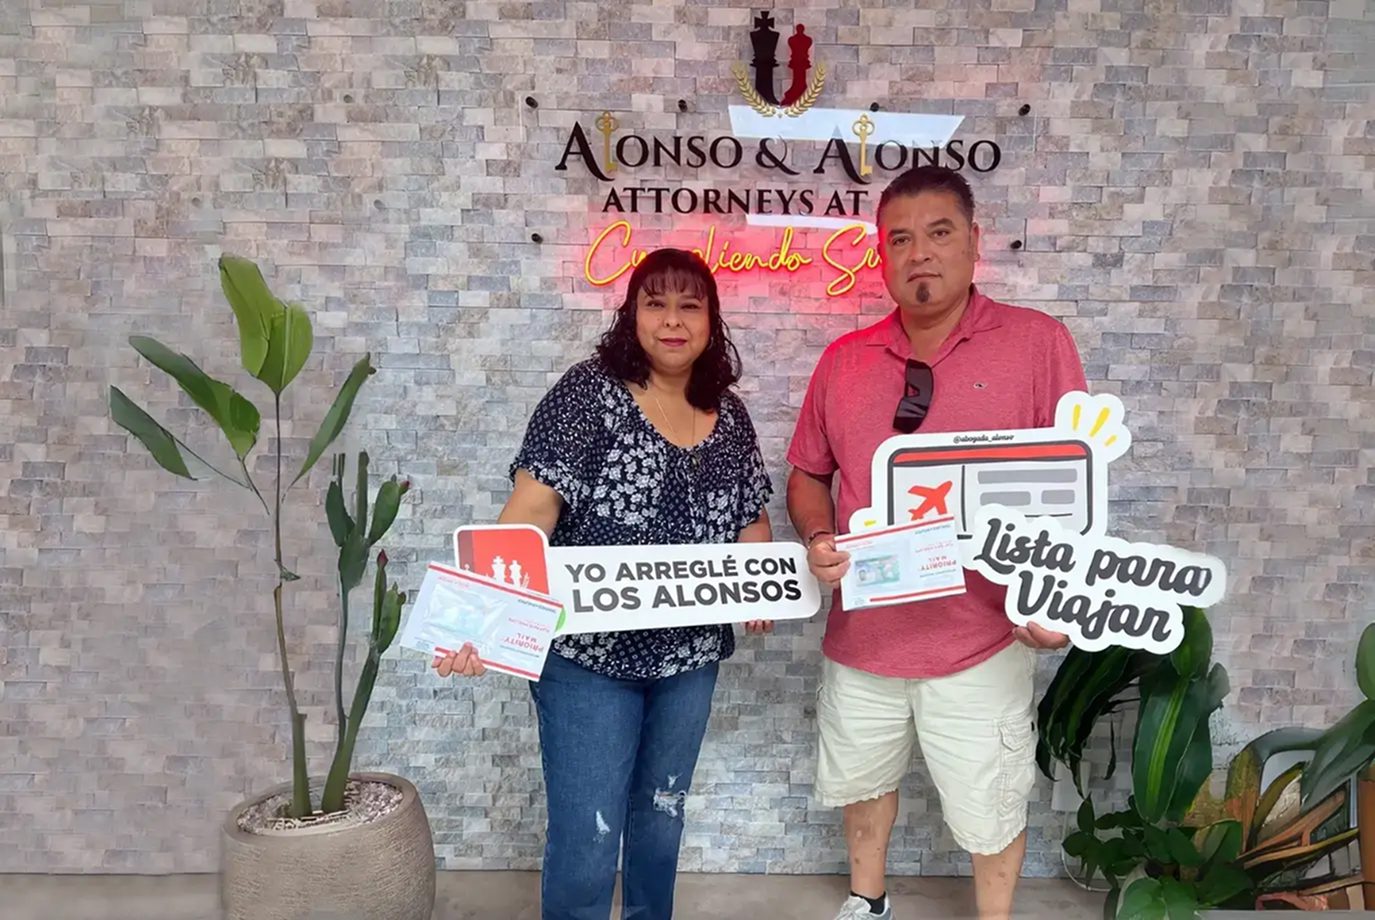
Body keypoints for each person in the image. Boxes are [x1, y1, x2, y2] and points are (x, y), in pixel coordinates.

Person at [785, 165, 1089, 920]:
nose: (919, 253)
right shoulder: (843, 360)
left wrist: (1057, 598)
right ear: (880, 257)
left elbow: (1077, 486)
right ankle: (866, 899)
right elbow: (805, 475)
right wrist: (818, 535)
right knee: (862, 783)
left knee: (989, 800)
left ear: (974, 243)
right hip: (864, 632)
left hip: (982, 636)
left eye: (939, 232)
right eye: (899, 239)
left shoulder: (1037, 344)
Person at [434, 248, 775, 920]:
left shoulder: (727, 414)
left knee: (660, 818)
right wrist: (476, 624)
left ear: (711, 321)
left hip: (688, 655)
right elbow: (528, 516)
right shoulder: (585, 396)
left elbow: (750, 517)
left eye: (690, 305)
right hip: (586, 659)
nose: (672, 320)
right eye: (656, 303)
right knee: (589, 838)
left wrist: (757, 584)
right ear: (631, 314)